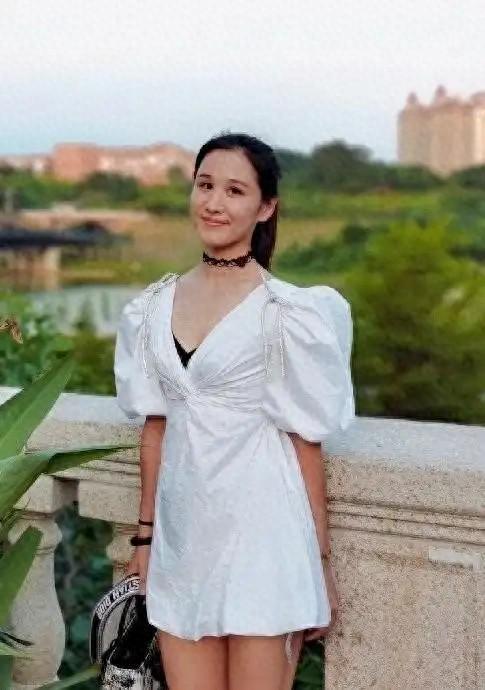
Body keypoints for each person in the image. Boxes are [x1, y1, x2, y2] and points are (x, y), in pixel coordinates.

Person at [114, 132, 355, 690]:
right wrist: (145, 541)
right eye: (204, 185)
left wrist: (319, 564)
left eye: (234, 190)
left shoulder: (287, 312)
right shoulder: (152, 307)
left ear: (265, 207)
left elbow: (304, 441)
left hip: (264, 539)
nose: (214, 203)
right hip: (183, 543)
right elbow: (156, 429)